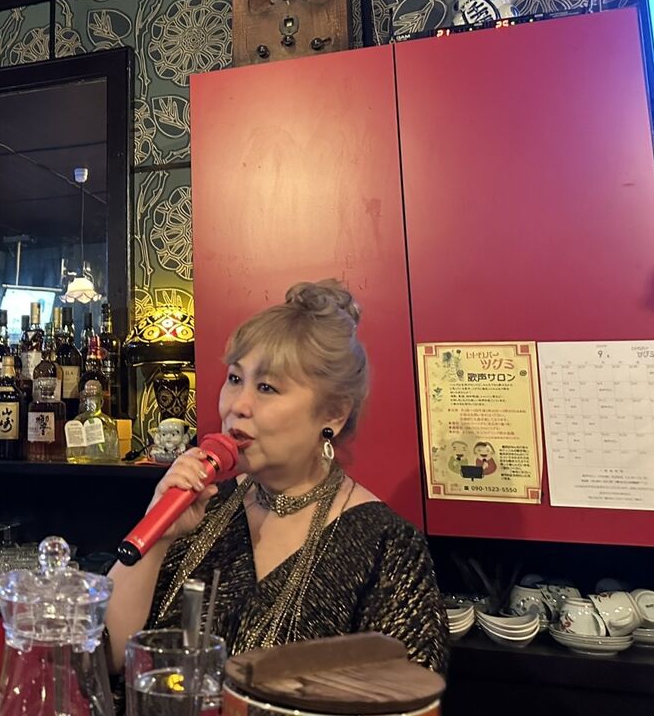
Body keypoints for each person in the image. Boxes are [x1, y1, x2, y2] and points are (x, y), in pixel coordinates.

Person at [106, 279, 448, 673]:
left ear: (334, 413)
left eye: (267, 387)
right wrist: (158, 534)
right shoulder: (202, 507)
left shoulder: (385, 544)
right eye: (235, 379)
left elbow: (407, 689)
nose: (238, 405)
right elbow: (106, 656)